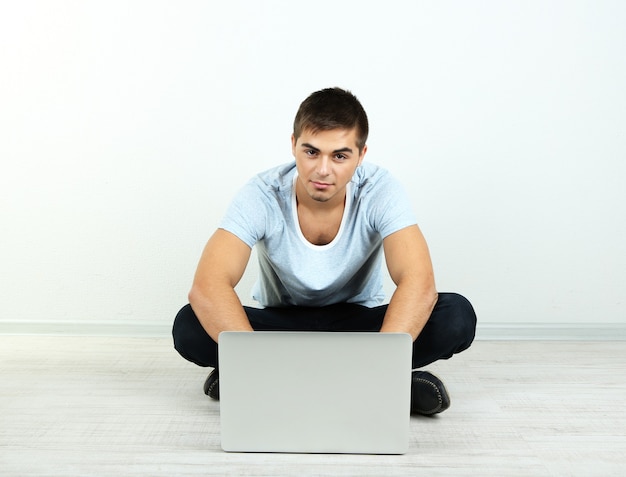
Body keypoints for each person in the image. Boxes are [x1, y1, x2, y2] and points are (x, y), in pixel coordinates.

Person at [173, 87, 477, 415]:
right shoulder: (261, 194)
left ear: (361, 155)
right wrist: (253, 359)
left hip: (358, 324)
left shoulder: (380, 190)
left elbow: (418, 282)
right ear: (293, 145)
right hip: (281, 327)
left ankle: (265, 382)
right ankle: (378, 387)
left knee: (455, 316)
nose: (322, 170)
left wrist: (382, 361)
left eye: (340, 156)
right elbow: (207, 286)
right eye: (311, 152)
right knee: (189, 325)